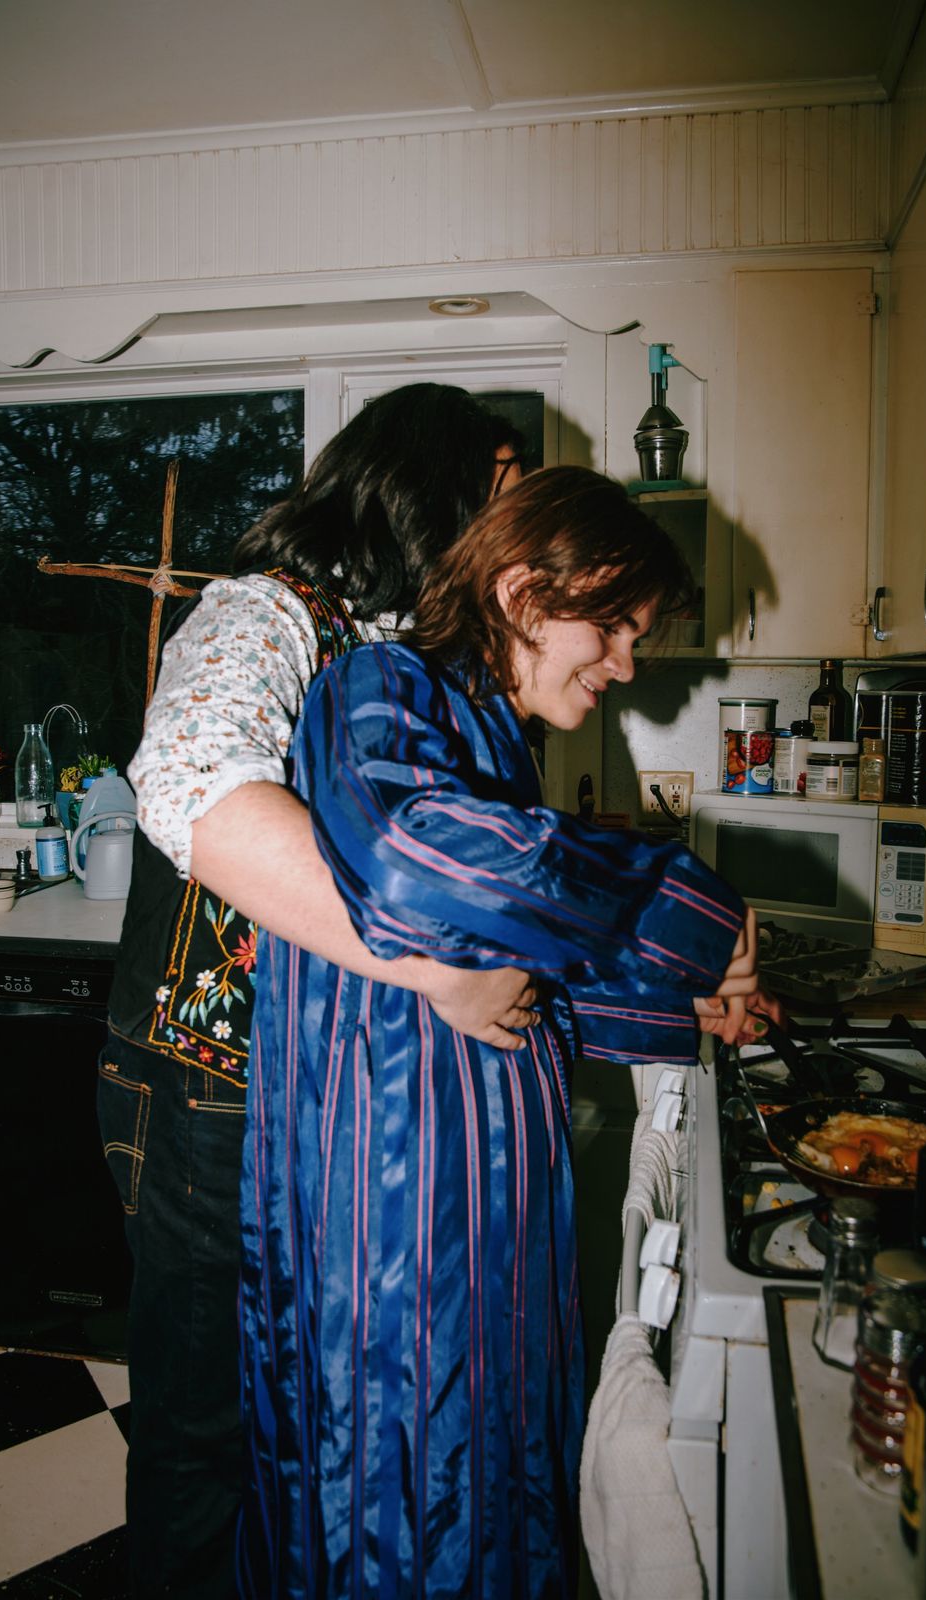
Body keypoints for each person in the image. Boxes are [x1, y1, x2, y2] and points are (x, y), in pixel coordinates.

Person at [238, 465, 762, 1599]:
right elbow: (409, 859)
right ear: (523, 593)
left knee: (491, 1500)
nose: (625, 664)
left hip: (485, 1213)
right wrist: (679, 905)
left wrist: (674, 1008)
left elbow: (518, 989)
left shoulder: (497, 740)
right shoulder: (378, 685)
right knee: (398, 1508)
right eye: (612, 628)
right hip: (393, 1224)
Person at [98, 384, 534, 1600]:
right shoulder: (264, 611)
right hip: (204, 1095)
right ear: (427, 489)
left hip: (301, 1102)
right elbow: (191, 788)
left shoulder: (395, 656)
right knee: (200, 1437)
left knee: (286, 1423)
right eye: (498, 497)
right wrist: (437, 971)